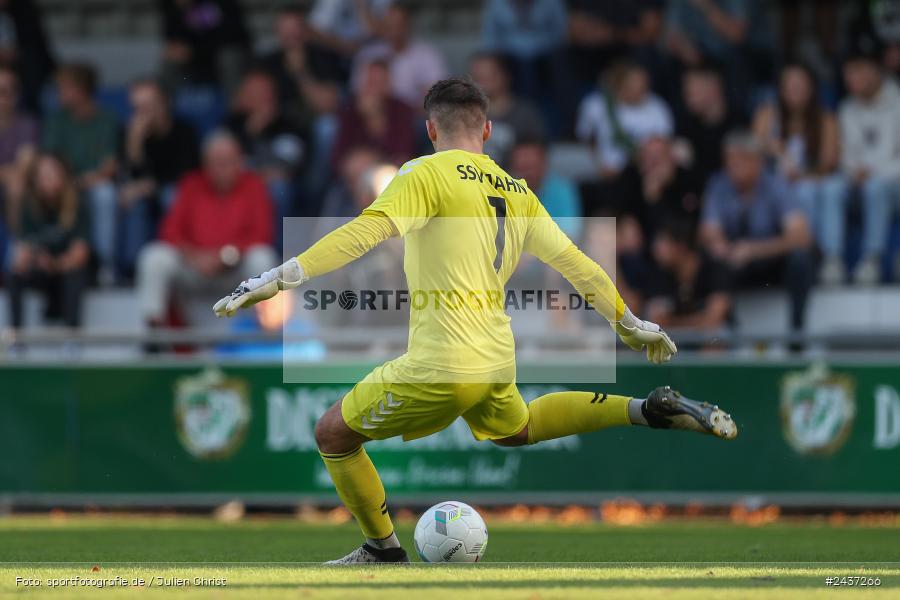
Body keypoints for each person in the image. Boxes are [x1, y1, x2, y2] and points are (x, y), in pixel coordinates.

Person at [214, 77, 738, 564]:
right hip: (494, 358)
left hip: (441, 360)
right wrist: (629, 323)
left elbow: (366, 230)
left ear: (430, 129)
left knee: (333, 435)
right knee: (520, 428)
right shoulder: (517, 189)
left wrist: (285, 274)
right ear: (487, 129)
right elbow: (578, 264)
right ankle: (645, 409)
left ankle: (382, 549)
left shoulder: (424, 172)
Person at [136, 131, 276, 329]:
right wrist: (194, 256)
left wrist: (226, 256)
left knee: (262, 257)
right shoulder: (191, 184)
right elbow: (169, 231)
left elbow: (262, 234)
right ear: (206, 164)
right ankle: (154, 333)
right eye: (216, 163)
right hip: (194, 267)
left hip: (234, 271)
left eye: (228, 162)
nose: (222, 169)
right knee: (154, 256)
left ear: (239, 162)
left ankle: (264, 329)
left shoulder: (254, 185)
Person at [700, 131, 814, 334]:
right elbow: (709, 231)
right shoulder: (719, 185)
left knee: (800, 259)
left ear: (757, 162)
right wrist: (722, 247)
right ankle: (727, 331)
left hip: (772, 259)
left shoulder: (775, 186)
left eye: (740, 161)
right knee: (711, 259)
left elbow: (801, 236)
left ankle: (797, 334)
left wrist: (755, 250)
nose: (733, 168)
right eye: (730, 161)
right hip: (735, 260)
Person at [752, 64, 845, 285]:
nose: (795, 91)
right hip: (772, 185)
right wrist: (772, 146)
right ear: (781, 89)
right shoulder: (767, 114)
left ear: (812, 89)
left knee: (813, 190)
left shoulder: (825, 118)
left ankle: (827, 257)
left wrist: (801, 174)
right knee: (800, 191)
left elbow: (828, 163)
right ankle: (808, 252)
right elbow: (752, 149)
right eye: (789, 86)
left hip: (810, 181)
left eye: (800, 86)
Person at [41, 63, 119, 282]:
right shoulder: (56, 119)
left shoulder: (106, 119)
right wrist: (67, 182)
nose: (59, 93)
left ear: (82, 90)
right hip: (61, 182)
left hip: (91, 184)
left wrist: (81, 182)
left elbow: (109, 166)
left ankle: (105, 265)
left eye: (65, 88)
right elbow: (50, 161)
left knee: (105, 194)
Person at [119, 78, 199, 279]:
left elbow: (186, 175)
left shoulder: (184, 131)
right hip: (144, 194)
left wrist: (151, 185)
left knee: (170, 195)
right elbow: (130, 177)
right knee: (131, 200)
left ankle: (177, 260)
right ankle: (132, 269)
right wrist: (134, 145)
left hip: (174, 193)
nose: (142, 114)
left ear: (164, 104)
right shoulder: (130, 133)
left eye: (148, 106)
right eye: (137, 108)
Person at [839, 50, 900, 285]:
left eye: (859, 70)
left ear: (876, 71)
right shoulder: (846, 108)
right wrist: (855, 171)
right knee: (832, 189)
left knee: (876, 188)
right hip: (858, 184)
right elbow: (845, 156)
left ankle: (872, 259)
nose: (852, 77)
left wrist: (873, 172)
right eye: (848, 71)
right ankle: (831, 260)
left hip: (893, 185)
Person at [7, 153, 89, 329]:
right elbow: (22, 251)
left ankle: (72, 337)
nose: (47, 180)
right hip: (42, 269)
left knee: (75, 274)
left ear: (63, 176)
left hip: (67, 268)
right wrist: (35, 260)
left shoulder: (77, 203)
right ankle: (16, 336)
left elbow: (80, 254)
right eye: (43, 175)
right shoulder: (28, 206)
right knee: (13, 274)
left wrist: (54, 263)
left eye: (52, 174)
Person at [615, 136, 703, 298]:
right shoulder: (630, 179)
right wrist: (624, 225)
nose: (652, 165)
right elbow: (620, 215)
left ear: (671, 158)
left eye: (658, 158)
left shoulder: (687, 180)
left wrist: (656, 200)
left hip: (679, 248)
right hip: (641, 251)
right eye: (647, 159)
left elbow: (687, 226)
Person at [226, 69, 307, 231]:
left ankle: (276, 250)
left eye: (261, 92)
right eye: (251, 92)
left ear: (272, 95)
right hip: (238, 183)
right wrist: (250, 133)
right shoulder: (232, 124)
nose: (257, 97)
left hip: (273, 184)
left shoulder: (289, 123)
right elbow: (222, 164)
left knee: (279, 189)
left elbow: (289, 168)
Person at [576, 60, 673, 178]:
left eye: (644, 83)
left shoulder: (658, 106)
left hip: (644, 172)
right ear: (620, 85)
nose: (641, 87)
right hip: (603, 171)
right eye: (634, 83)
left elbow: (664, 144)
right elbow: (586, 139)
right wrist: (599, 165)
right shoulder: (595, 105)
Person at [351, 2, 448, 108]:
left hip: (413, 118)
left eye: (399, 25)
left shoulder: (427, 55)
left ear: (408, 25)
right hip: (375, 117)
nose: (394, 31)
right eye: (389, 26)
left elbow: (438, 95)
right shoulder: (368, 54)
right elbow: (358, 91)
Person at [646, 218, 732, 332]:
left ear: (681, 246)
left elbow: (714, 320)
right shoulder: (661, 274)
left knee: (715, 341)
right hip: (677, 342)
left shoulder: (715, 269)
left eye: (662, 242)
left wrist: (672, 323)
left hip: (717, 343)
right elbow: (655, 321)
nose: (656, 248)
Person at [331, 60, 416, 169]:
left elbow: (403, 153)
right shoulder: (350, 109)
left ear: (388, 85)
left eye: (377, 82)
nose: (371, 88)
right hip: (354, 175)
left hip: (389, 173)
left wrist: (375, 117)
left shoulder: (402, 110)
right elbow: (338, 157)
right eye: (369, 81)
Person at [159, 0, 251, 96]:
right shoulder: (171, 6)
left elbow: (234, 38)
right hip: (193, 63)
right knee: (170, 60)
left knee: (229, 57)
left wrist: (194, 50)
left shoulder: (221, 3)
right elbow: (174, 40)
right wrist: (181, 10)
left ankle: (236, 106)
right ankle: (168, 105)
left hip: (223, 56)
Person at [470, 53, 546, 167]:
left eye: (488, 76)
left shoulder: (526, 115)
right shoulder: (463, 115)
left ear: (505, 76)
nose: (482, 83)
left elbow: (536, 158)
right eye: (477, 77)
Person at [480, 0, 567, 99]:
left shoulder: (552, 2)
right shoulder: (496, 3)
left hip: (544, 53)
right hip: (509, 54)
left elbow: (559, 33)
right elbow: (490, 36)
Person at [676, 64, 743, 191]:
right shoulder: (685, 127)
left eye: (692, 93)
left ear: (713, 88)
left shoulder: (739, 122)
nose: (687, 99)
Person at [0, 66, 38, 236]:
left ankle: (16, 247)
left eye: (6, 92)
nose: (2, 98)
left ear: (16, 96)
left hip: (14, 186)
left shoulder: (28, 125)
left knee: (17, 185)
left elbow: (23, 168)